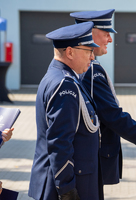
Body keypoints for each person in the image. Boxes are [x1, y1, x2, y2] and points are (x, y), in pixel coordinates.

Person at [70, 10, 136, 185]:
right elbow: (113, 117)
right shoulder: (90, 71)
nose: (110, 39)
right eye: (106, 33)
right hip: (92, 159)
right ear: (90, 32)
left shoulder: (88, 68)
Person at [28, 22, 103, 200]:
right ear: (70, 52)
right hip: (66, 185)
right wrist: (67, 190)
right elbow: (60, 142)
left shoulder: (59, 77)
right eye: (88, 51)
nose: (92, 57)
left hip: (63, 181)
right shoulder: (65, 85)